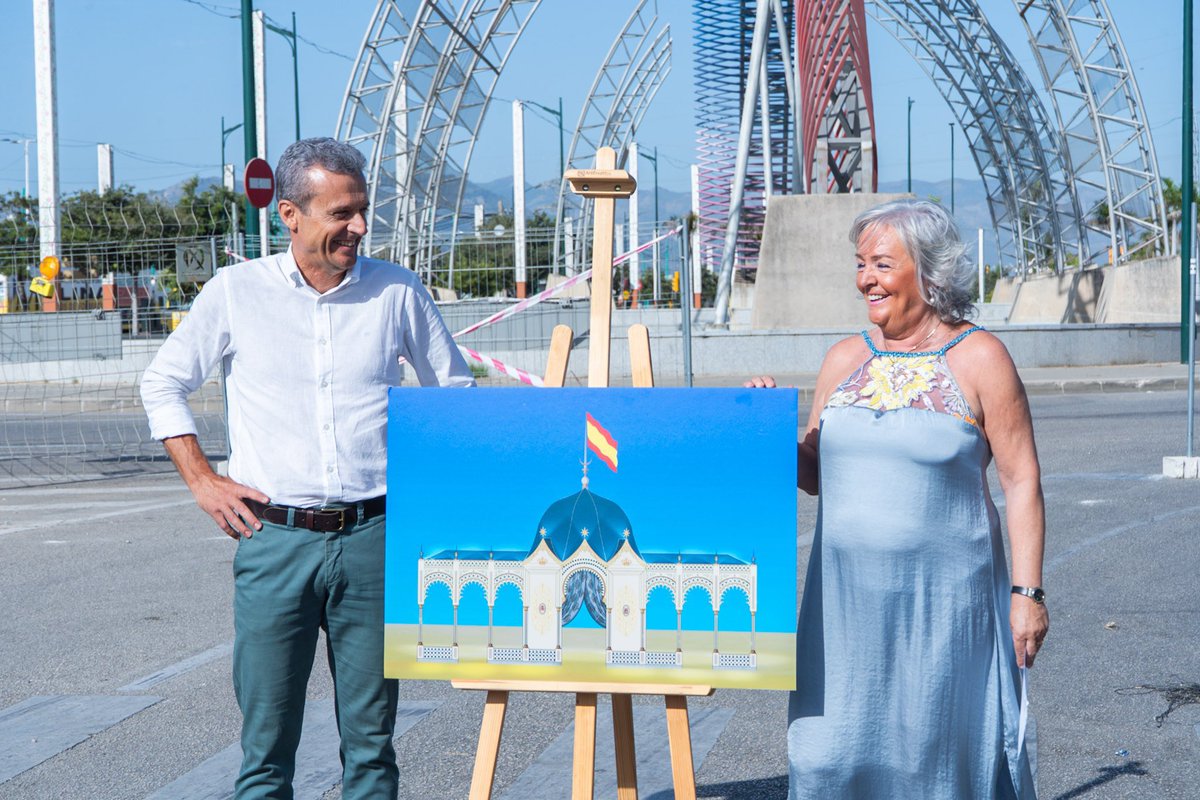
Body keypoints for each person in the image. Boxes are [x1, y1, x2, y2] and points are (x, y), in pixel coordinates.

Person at [140, 137, 475, 799]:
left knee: (373, 747)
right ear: (290, 215)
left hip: (374, 538)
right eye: (340, 213)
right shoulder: (238, 293)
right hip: (275, 541)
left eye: (362, 211)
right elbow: (162, 383)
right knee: (266, 750)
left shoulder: (397, 292)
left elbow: (454, 400)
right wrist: (203, 481)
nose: (357, 226)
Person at [747, 199, 1048, 799]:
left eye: (882, 264)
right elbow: (814, 475)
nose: (866, 279)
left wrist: (1027, 594)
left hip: (943, 609)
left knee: (929, 760)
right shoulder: (843, 359)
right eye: (861, 264)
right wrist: (766, 429)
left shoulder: (981, 358)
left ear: (929, 272)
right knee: (825, 758)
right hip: (843, 609)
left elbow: (1021, 481)